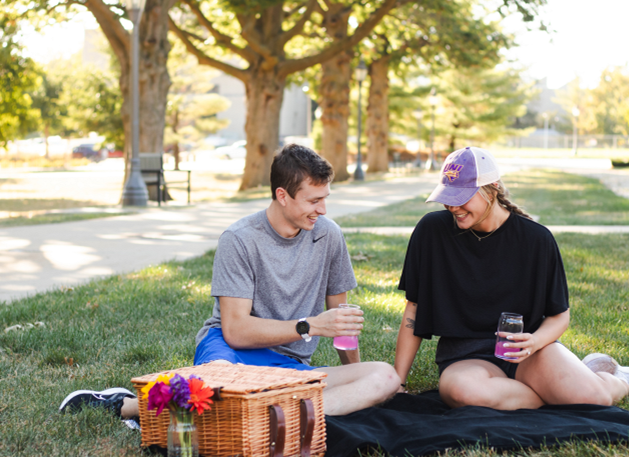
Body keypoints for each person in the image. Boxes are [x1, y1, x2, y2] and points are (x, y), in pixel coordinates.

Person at [60, 144, 400, 420]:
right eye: (314, 200)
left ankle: (275, 413)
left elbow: (341, 324)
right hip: (229, 353)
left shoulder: (329, 236)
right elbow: (235, 330)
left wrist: (356, 375)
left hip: (290, 367)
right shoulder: (239, 239)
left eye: (326, 198)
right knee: (213, 387)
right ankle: (123, 405)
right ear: (282, 195)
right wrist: (308, 326)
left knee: (384, 376)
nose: (323, 209)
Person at [394, 146, 629, 410]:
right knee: (462, 392)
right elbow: (414, 310)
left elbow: (560, 315)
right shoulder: (431, 232)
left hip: (528, 352)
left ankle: (620, 379)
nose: (453, 207)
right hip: (467, 358)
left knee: (595, 400)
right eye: (448, 196)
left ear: (492, 189)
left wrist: (534, 342)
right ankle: (555, 392)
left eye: (462, 197)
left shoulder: (537, 239)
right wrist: (398, 381)